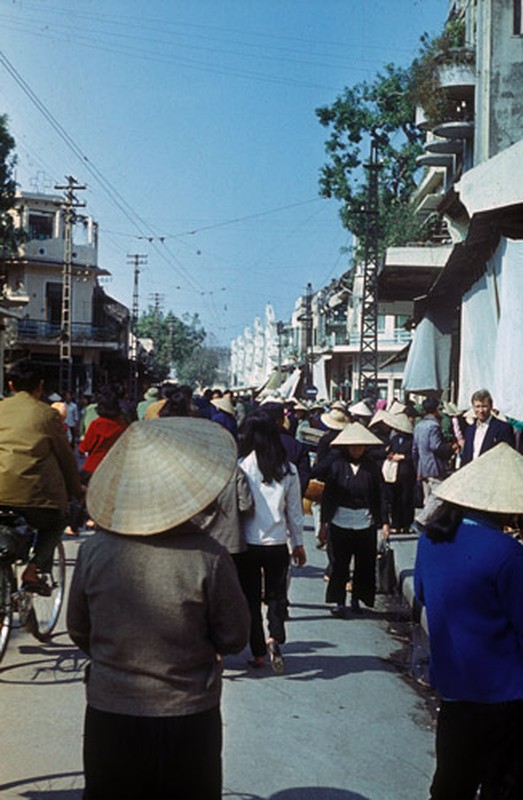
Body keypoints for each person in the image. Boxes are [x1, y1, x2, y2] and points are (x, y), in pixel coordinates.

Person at [67, 417, 250, 800]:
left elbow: (79, 629)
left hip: (110, 709)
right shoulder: (209, 557)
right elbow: (234, 637)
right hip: (187, 712)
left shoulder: (93, 551)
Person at [414, 443, 523, 799]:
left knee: (450, 784)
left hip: (454, 685)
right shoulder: (508, 553)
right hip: (504, 693)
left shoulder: (430, 540)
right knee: (499, 785)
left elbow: (423, 596)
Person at [0, 359, 82, 593]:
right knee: (58, 520)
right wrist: (77, 491)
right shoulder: (47, 415)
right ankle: (33, 570)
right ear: (40, 386)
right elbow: (66, 458)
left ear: (11, 384)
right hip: (35, 499)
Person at [237, 411, 306, 673]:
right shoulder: (289, 470)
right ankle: (274, 636)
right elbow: (294, 512)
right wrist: (298, 543)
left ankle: (257, 653)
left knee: (251, 599)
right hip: (277, 544)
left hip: (248, 544)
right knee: (277, 595)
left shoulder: (244, 466)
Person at [318, 421, 389, 617]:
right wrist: (323, 523)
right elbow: (328, 496)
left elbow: (381, 494)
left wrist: (384, 522)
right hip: (340, 519)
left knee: (364, 564)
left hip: (365, 521)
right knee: (340, 563)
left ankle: (357, 599)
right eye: (353, 445)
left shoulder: (372, 467)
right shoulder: (337, 466)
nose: (356, 449)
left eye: (360, 446)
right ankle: (339, 601)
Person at [67, 387, 129, 535]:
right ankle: (99, 521)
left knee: (80, 494)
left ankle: (74, 526)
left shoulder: (97, 424)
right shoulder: (122, 424)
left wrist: (80, 448)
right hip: (114, 466)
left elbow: (85, 446)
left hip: (93, 465)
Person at [412, 396, 458, 504]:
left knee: (427, 499)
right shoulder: (434, 426)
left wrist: (417, 467)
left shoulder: (418, 426)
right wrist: (451, 448)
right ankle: (422, 521)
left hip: (423, 467)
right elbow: (436, 446)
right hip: (434, 467)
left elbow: (414, 449)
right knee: (437, 500)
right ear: (437, 409)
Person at [461, 388, 515, 465]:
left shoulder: (503, 428)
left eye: (484, 406)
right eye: (477, 406)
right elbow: (465, 457)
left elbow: (508, 457)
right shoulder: (469, 430)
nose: (481, 410)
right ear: (473, 407)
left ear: (491, 406)